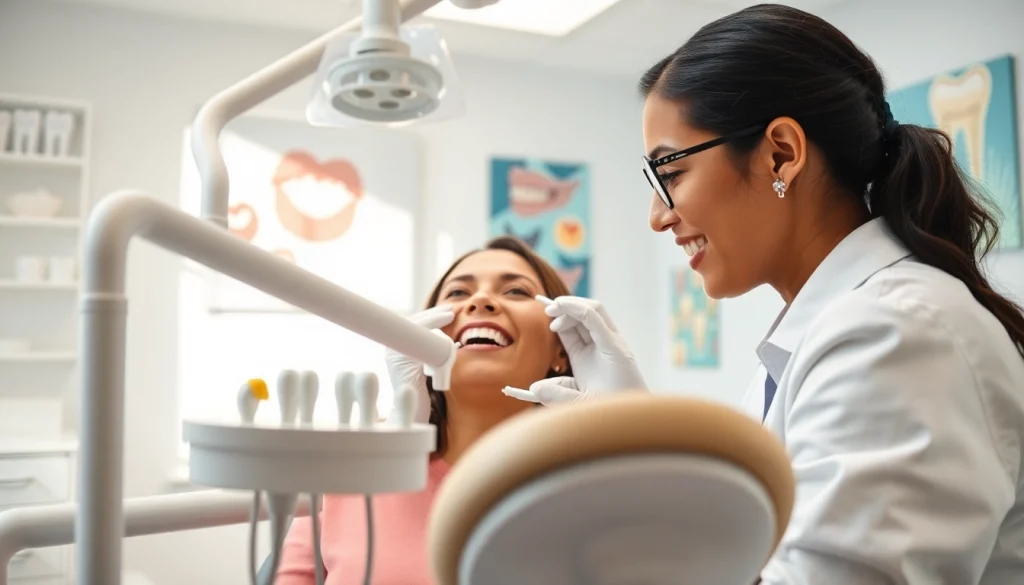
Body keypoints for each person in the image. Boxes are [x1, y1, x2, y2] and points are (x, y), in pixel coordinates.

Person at [521, 4, 1024, 584]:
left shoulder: (897, 331)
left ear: (781, 152)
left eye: (671, 173)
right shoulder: (831, 333)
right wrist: (640, 436)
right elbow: (748, 550)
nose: (659, 216)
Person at [274, 235, 572, 585]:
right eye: (458, 293)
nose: (481, 300)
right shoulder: (349, 465)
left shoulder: (588, 491)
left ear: (561, 350)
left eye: (516, 291)